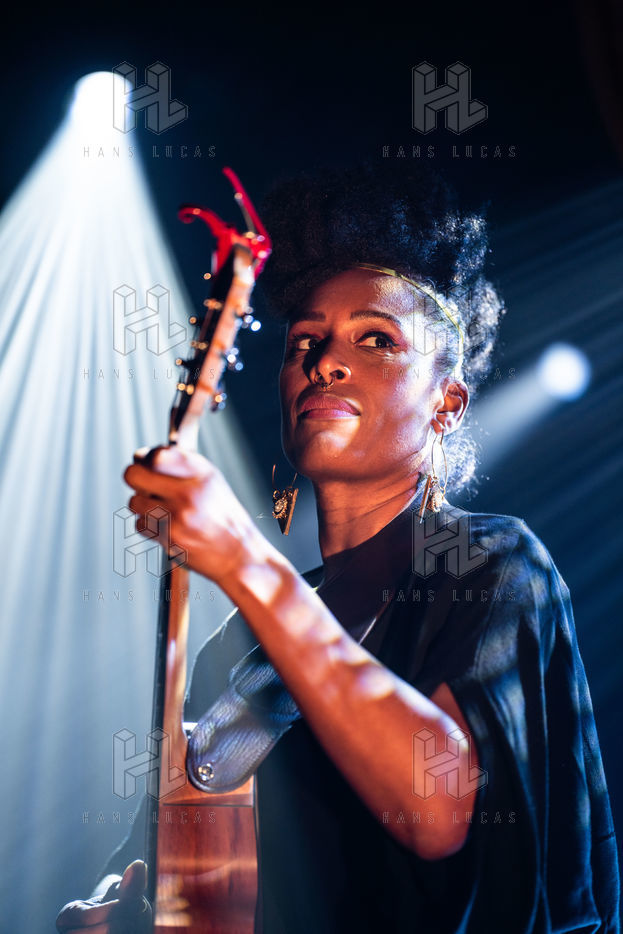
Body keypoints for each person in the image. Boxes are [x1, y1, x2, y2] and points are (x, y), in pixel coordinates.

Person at [56, 164, 620, 933]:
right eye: (305, 342)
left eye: (376, 339)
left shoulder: (492, 563)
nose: (325, 361)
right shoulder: (237, 649)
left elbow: (437, 810)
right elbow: (162, 868)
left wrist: (246, 562)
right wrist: (105, 909)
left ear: (447, 403)